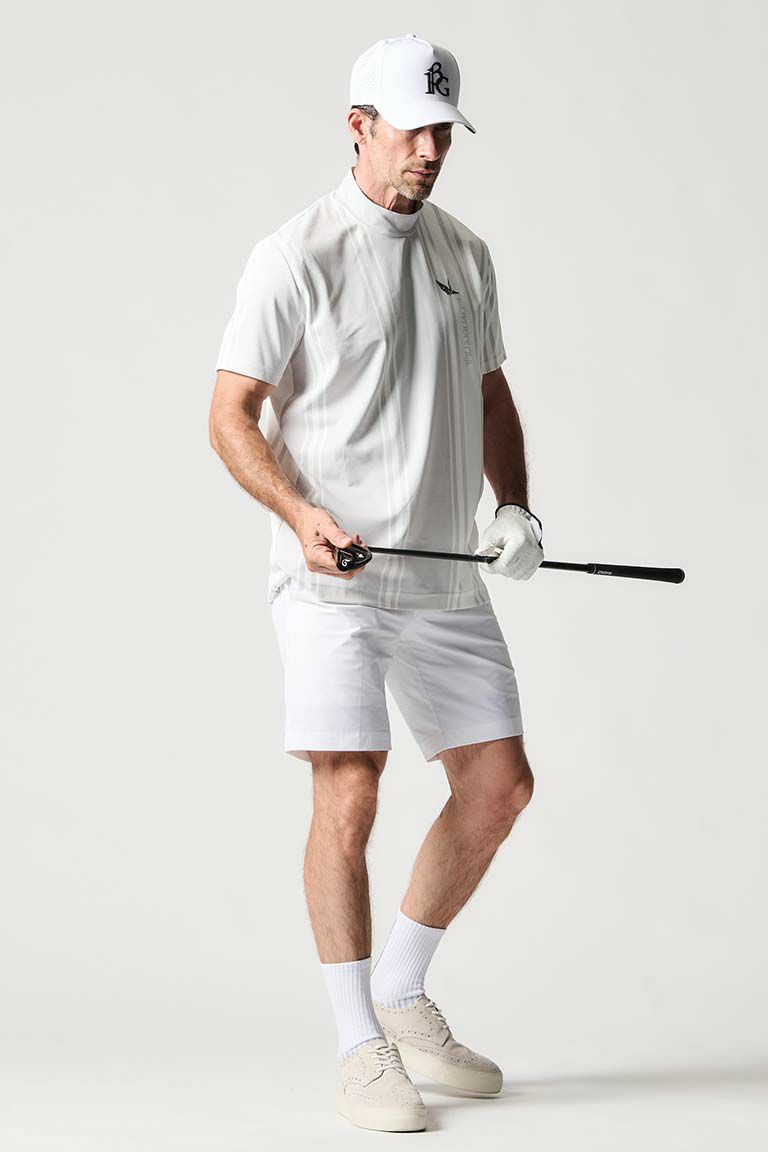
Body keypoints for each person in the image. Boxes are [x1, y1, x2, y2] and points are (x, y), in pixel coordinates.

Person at [209, 33, 544, 1133]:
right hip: (334, 586)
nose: (431, 150)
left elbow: (490, 395)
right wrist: (299, 516)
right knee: (350, 792)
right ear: (359, 127)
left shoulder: (466, 253)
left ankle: (400, 989)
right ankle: (360, 1044)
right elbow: (230, 413)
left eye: (445, 131)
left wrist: (514, 507)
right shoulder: (295, 253)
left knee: (499, 786)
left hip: (446, 582)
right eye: (412, 131)